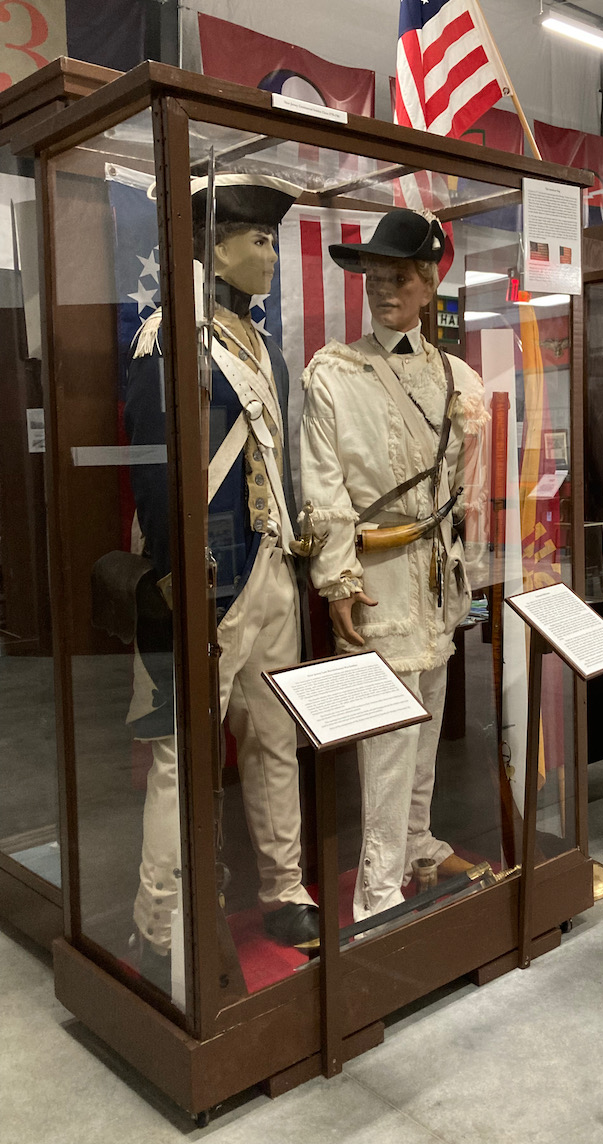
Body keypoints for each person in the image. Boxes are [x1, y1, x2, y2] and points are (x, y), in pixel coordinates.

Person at [124, 174, 319, 983]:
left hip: (272, 564)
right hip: (214, 575)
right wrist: (181, 575)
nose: (269, 256)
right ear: (215, 247)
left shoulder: (261, 347)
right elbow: (155, 471)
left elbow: (276, 455)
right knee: (181, 754)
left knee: (274, 737)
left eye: (273, 241)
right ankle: (157, 920)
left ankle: (284, 886)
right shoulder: (168, 339)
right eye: (258, 241)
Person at [299, 210, 488, 924]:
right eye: (375, 276)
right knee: (387, 739)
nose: (385, 289)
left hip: (440, 576)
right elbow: (323, 484)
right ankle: (377, 890)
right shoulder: (336, 372)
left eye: (400, 276)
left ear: (428, 283)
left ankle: (417, 842)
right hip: (377, 578)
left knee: (429, 721)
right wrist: (337, 578)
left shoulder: (457, 376)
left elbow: (466, 490)